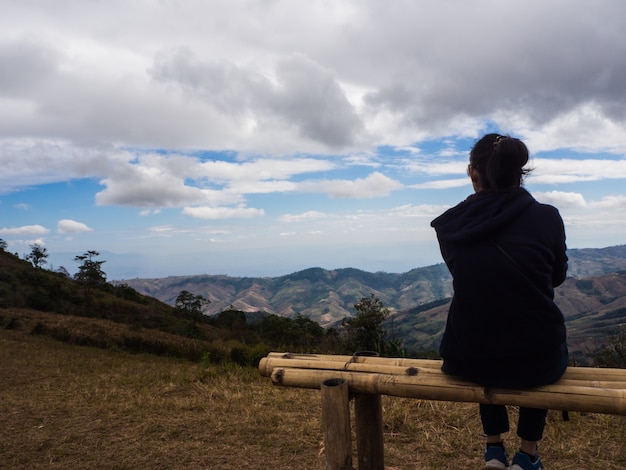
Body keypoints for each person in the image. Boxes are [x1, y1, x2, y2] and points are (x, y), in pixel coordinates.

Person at [430, 133, 569, 470]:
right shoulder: (547, 217)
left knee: (485, 319)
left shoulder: (452, 226)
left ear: (473, 173)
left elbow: (473, 282)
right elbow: (556, 276)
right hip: (536, 359)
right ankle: (527, 455)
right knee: (536, 332)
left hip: (468, 358)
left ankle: (493, 450)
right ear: (518, 173)